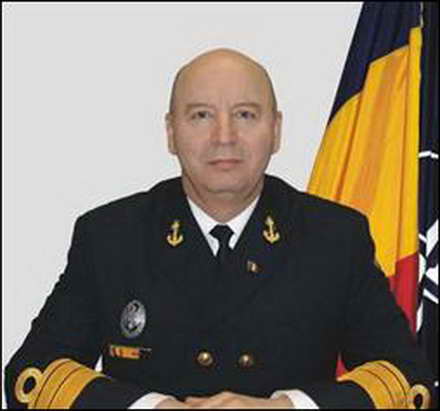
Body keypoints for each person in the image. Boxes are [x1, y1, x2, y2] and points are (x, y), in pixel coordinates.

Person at [4, 48, 435, 409]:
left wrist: (286, 408)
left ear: (276, 130)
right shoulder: (111, 237)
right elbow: (31, 377)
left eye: (245, 114)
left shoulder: (335, 238)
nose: (224, 136)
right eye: (201, 115)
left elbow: (409, 380)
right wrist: (152, 408)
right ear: (171, 132)